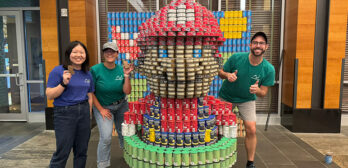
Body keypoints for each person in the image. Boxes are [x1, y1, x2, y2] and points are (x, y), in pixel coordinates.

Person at [218, 32, 275, 168]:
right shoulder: (237, 58)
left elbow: (263, 93)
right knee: (219, 127)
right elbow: (220, 73)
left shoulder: (269, 69)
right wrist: (227, 75)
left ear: (266, 47)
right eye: (255, 42)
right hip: (226, 97)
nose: (258, 46)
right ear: (250, 45)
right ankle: (218, 157)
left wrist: (258, 90)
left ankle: (250, 162)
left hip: (247, 100)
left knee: (251, 129)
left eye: (261, 43)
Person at [46, 41, 94, 168]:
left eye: (82, 52)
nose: (79, 55)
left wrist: (88, 115)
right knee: (63, 151)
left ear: (86, 55)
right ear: (69, 54)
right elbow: (50, 95)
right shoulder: (58, 71)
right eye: (75, 52)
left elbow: (89, 95)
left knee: (82, 151)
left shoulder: (87, 73)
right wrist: (63, 83)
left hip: (83, 112)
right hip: (64, 113)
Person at [91, 42, 133, 168]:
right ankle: (102, 164)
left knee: (125, 133)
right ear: (103, 54)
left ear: (117, 54)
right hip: (103, 106)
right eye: (107, 51)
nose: (109, 53)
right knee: (106, 137)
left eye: (112, 51)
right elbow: (90, 92)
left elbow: (127, 91)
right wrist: (101, 110)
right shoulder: (95, 70)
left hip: (121, 105)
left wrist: (126, 75)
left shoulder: (121, 69)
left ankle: (128, 157)